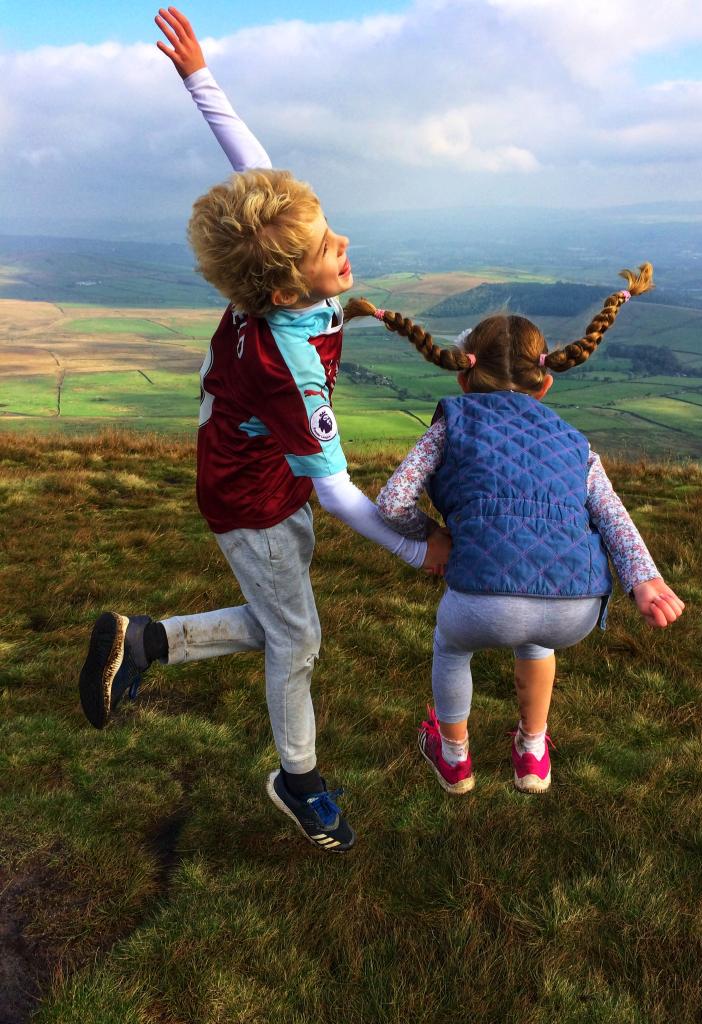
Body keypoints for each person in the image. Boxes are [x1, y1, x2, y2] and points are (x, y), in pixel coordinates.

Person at [77, 8, 450, 854]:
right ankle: (299, 779)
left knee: (282, 619)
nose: (344, 244)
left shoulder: (274, 275)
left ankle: (148, 641)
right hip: (253, 495)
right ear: (285, 290)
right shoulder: (290, 368)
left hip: (248, 465)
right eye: (326, 248)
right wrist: (417, 547)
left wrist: (199, 78)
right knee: (299, 640)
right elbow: (336, 488)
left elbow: (252, 165)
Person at [343, 264, 685, 795]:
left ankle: (454, 757)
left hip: (480, 599)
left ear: (462, 376)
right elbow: (612, 514)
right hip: (573, 603)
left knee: (452, 648)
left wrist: (434, 536)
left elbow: (391, 501)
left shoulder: (450, 422)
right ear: (545, 382)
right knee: (536, 641)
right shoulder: (575, 441)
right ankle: (532, 752)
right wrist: (645, 578)